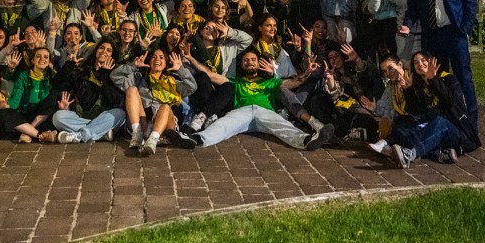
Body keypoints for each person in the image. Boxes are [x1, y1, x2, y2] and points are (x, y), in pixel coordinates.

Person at [190, 49, 336, 150]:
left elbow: (295, 82)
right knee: (223, 125)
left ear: (258, 63)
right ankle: (198, 139)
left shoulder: (271, 81)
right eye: (246, 60)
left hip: (265, 112)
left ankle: (306, 141)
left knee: (283, 127)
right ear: (241, 64)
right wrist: (190, 58)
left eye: (253, 60)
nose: (250, 62)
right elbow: (209, 74)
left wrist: (308, 71)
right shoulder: (235, 81)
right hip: (241, 112)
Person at [402, 0, 479, 129]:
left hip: (454, 33)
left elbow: (470, 1)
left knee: (463, 77)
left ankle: (470, 121)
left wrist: (465, 28)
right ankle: (445, 119)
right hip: (433, 36)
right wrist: (407, 25)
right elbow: (413, 7)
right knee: (435, 78)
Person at [111, 47, 198, 155]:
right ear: (149, 61)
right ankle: (137, 134)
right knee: (131, 89)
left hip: (163, 122)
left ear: (166, 64)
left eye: (161, 57)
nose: (157, 59)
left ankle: (153, 140)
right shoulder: (138, 78)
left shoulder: (171, 82)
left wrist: (180, 69)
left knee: (165, 107)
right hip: (142, 121)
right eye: (154, 57)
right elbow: (115, 76)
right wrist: (133, 66)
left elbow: (192, 87)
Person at [50, 40, 127, 143]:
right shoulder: (82, 69)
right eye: (101, 48)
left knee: (120, 114)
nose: (104, 51)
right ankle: (100, 133)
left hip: (103, 117)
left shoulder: (115, 74)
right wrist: (70, 64)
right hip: (81, 118)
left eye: (108, 50)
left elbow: (112, 99)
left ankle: (80, 136)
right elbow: (57, 84)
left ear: (112, 56)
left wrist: (105, 74)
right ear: (96, 51)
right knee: (57, 117)